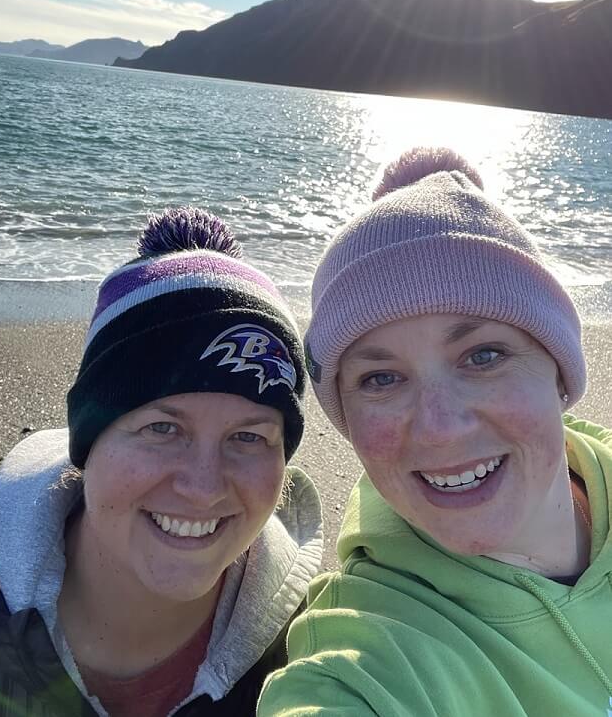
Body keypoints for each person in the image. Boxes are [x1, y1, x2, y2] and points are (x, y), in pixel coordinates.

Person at [258, 147, 612, 717]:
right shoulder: (369, 660)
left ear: (559, 371)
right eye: (381, 378)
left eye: (484, 355)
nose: (440, 428)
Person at [0, 207, 322, 716]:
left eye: (248, 437)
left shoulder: (317, 654)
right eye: (162, 429)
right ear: (90, 439)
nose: (204, 487)